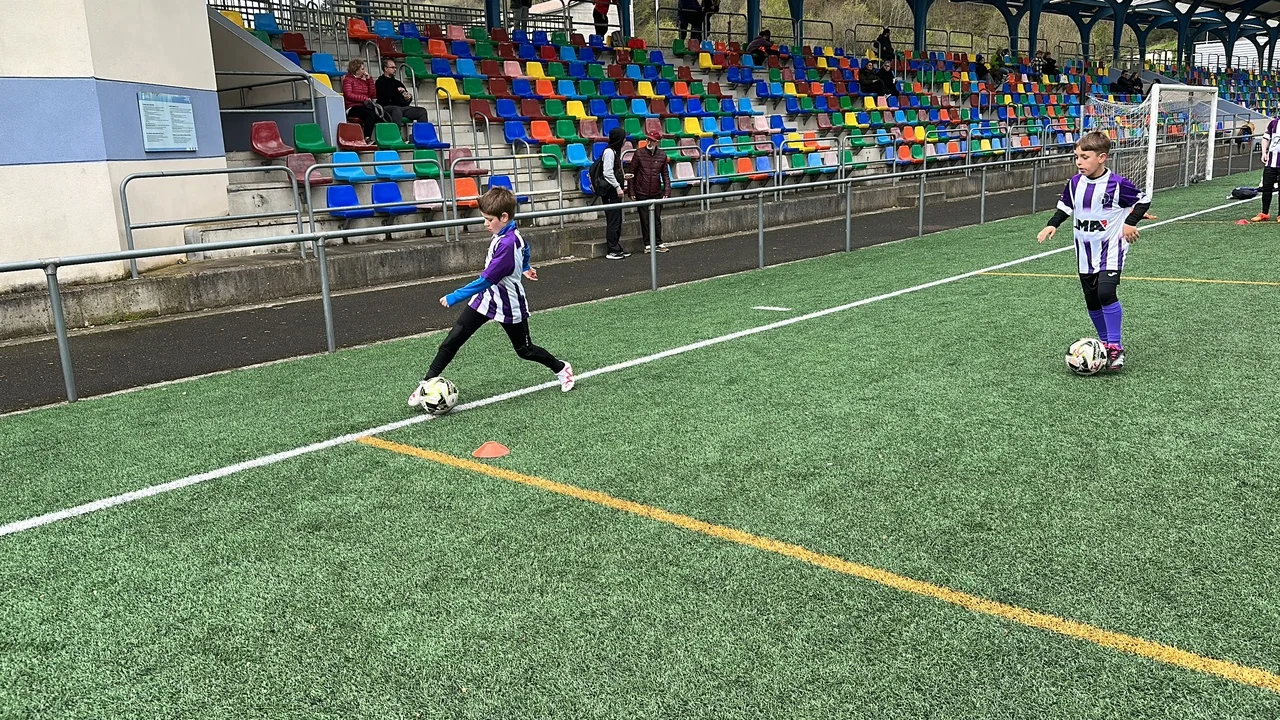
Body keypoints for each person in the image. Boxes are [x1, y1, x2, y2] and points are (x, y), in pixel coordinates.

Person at [409, 187, 575, 406]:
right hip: (485, 300)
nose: (485, 224)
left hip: (508, 305)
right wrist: (526, 267)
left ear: (504, 217)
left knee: (525, 350)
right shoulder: (506, 233)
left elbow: (486, 280)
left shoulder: (507, 244)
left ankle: (561, 368)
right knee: (453, 340)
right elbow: (526, 249)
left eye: (489, 220)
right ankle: (425, 384)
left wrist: (454, 296)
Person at [1036, 131, 1152, 371]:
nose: (1079, 162)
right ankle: (1105, 343)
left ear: (1102, 158)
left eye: (1085, 157)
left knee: (1106, 293)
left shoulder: (1117, 184)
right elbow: (1065, 207)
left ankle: (1115, 347)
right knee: (1092, 300)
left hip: (1111, 249)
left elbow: (1143, 200)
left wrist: (1130, 222)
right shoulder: (1075, 183)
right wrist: (1052, 224)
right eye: (1076, 157)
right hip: (1084, 252)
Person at [628, 127, 671, 253]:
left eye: (652, 140)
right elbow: (631, 173)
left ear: (657, 142)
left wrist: (667, 191)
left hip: (656, 191)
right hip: (641, 191)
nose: (649, 142)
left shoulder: (662, 155)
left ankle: (658, 242)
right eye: (648, 139)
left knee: (657, 219)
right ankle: (647, 244)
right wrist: (631, 191)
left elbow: (665, 175)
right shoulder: (639, 153)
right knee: (644, 219)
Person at [598, 127, 630, 259]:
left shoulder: (614, 152)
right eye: (623, 138)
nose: (625, 140)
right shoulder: (609, 152)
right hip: (610, 192)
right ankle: (612, 249)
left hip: (613, 191)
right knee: (613, 220)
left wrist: (623, 177)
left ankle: (616, 247)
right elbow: (607, 173)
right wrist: (617, 187)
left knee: (617, 220)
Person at [375, 58, 427, 125]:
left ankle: (422, 131)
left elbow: (406, 99)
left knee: (422, 111)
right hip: (387, 108)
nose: (395, 69)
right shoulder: (379, 82)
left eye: (395, 68)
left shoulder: (398, 83)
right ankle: (397, 131)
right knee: (397, 110)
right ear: (385, 69)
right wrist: (396, 91)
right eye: (392, 67)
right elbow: (383, 98)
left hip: (402, 108)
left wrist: (407, 98)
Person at [1247, 116, 1280, 222]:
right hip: (1271, 162)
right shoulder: (1273, 123)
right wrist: (1264, 153)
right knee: (1266, 187)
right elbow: (1265, 138)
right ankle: (1264, 213)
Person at [341, 58, 379, 140]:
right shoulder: (348, 80)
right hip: (352, 107)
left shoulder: (364, 81)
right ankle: (367, 137)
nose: (364, 71)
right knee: (370, 114)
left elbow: (372, 95)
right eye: (362, 69)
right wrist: (364, 98)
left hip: (364, 106)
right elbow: (348, 95)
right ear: (356, 70)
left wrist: (369, 80)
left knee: (379, 115)